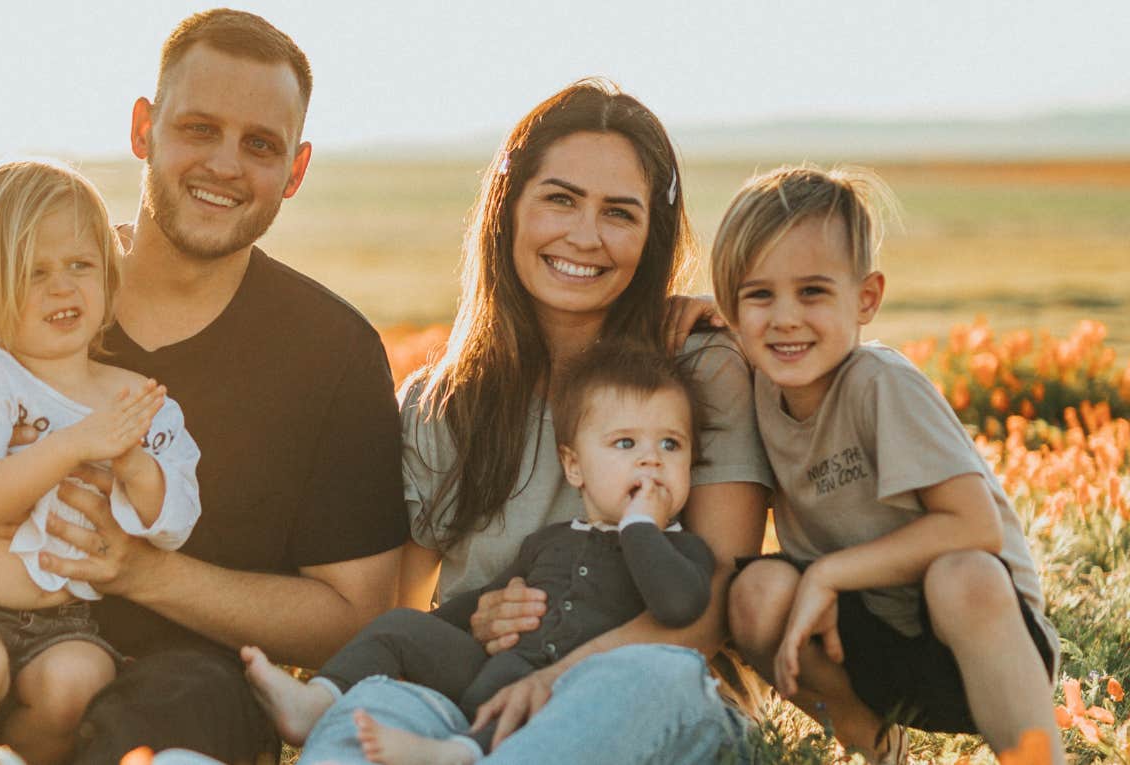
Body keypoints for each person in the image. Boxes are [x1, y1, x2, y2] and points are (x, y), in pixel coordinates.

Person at [0, 9, 407, 765]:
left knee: (178, 717)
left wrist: (141, 569)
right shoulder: (7, 288)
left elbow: (352, 615)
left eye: (260, 145)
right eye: (198, 129)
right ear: (144, 129)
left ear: (295, 171)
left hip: (166, 693)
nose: (226, 165)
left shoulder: (332, 352)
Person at [296, 79, 775, 765]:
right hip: (476, 700)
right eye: (560, 198)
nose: (584, 235)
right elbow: (399, 607)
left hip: (643, 693)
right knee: (372, 709)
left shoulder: (699, 369)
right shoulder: (443, 399)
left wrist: (554, 677)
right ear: (508, 207)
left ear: (652, 235)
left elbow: (710, 609)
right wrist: (477, 620)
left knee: (646, 684)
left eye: (619, 212)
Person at [711, 165, 1064, 763]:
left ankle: (1035, 756)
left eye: (814, 292)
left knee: (963, 575)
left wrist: (829, 573)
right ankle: (879, 750)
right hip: (865, 644)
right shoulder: (760, 387)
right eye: (760, 295)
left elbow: (973, 527)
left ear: (866, 298)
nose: (786, 318)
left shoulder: (881, 385)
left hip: (978, 641)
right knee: (755, 591)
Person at [242, 342, 715, 764]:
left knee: (538, 704)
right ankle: (319, 700)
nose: (651, 459)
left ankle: (460, 752)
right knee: (400, 627)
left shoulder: (681, 549)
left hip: (575, 698)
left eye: (671, 444)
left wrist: (638, 527)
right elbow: (480, 603)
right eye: (626, 443)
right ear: (574, 466)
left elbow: (678, 605)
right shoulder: (549, 542)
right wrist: (444, 630)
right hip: (494, 671)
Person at [0, 157, 203, 765]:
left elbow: (175, 520)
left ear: (109, 277)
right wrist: (72, 445)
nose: (63, 287)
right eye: (33, 273)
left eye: (80, 266)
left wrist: (137, 466)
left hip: (64, 622)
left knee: (77, 686)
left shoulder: (135, 397)